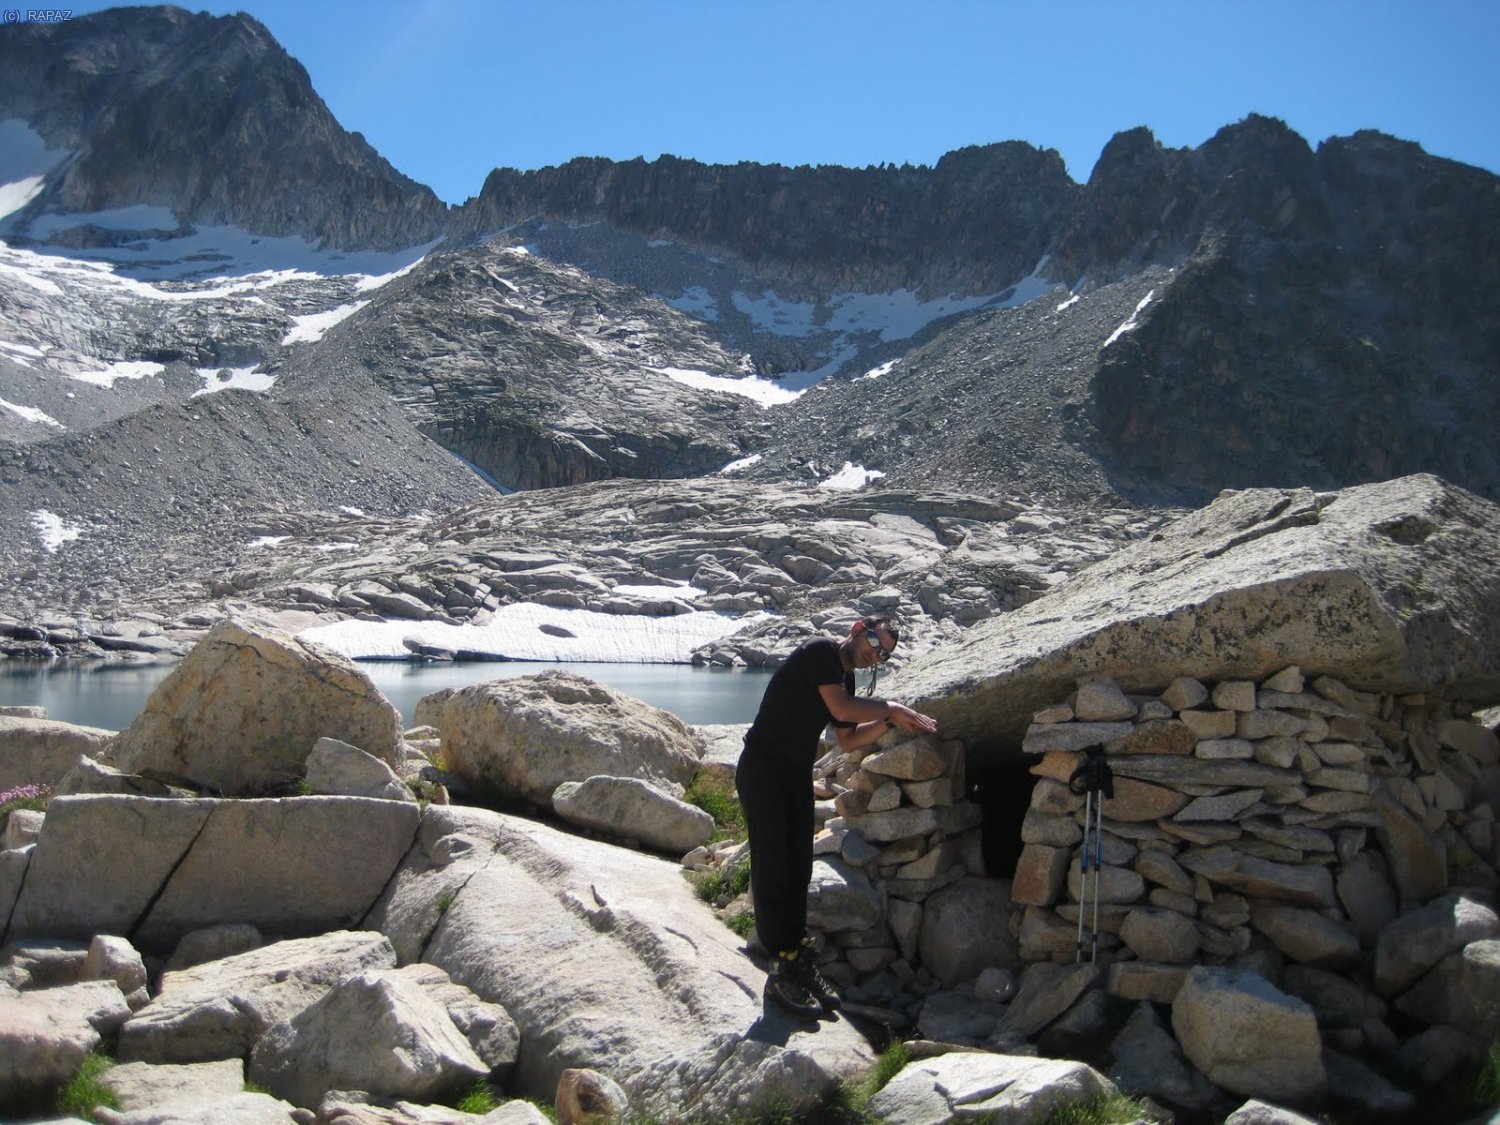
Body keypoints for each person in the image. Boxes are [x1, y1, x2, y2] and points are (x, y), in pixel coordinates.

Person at [735, 615, 939, 1020]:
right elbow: (842, 709)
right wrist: (891, 706)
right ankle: (779, 971)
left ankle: (795, 958)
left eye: (883, 654)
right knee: (774, 867)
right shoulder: (820, 652)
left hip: (794, 776)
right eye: (874, 643)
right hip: (763, 769)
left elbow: (847, 738)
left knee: (798, 869)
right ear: (858, 629)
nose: (874, 655)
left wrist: (886, 722)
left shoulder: (843, 680)